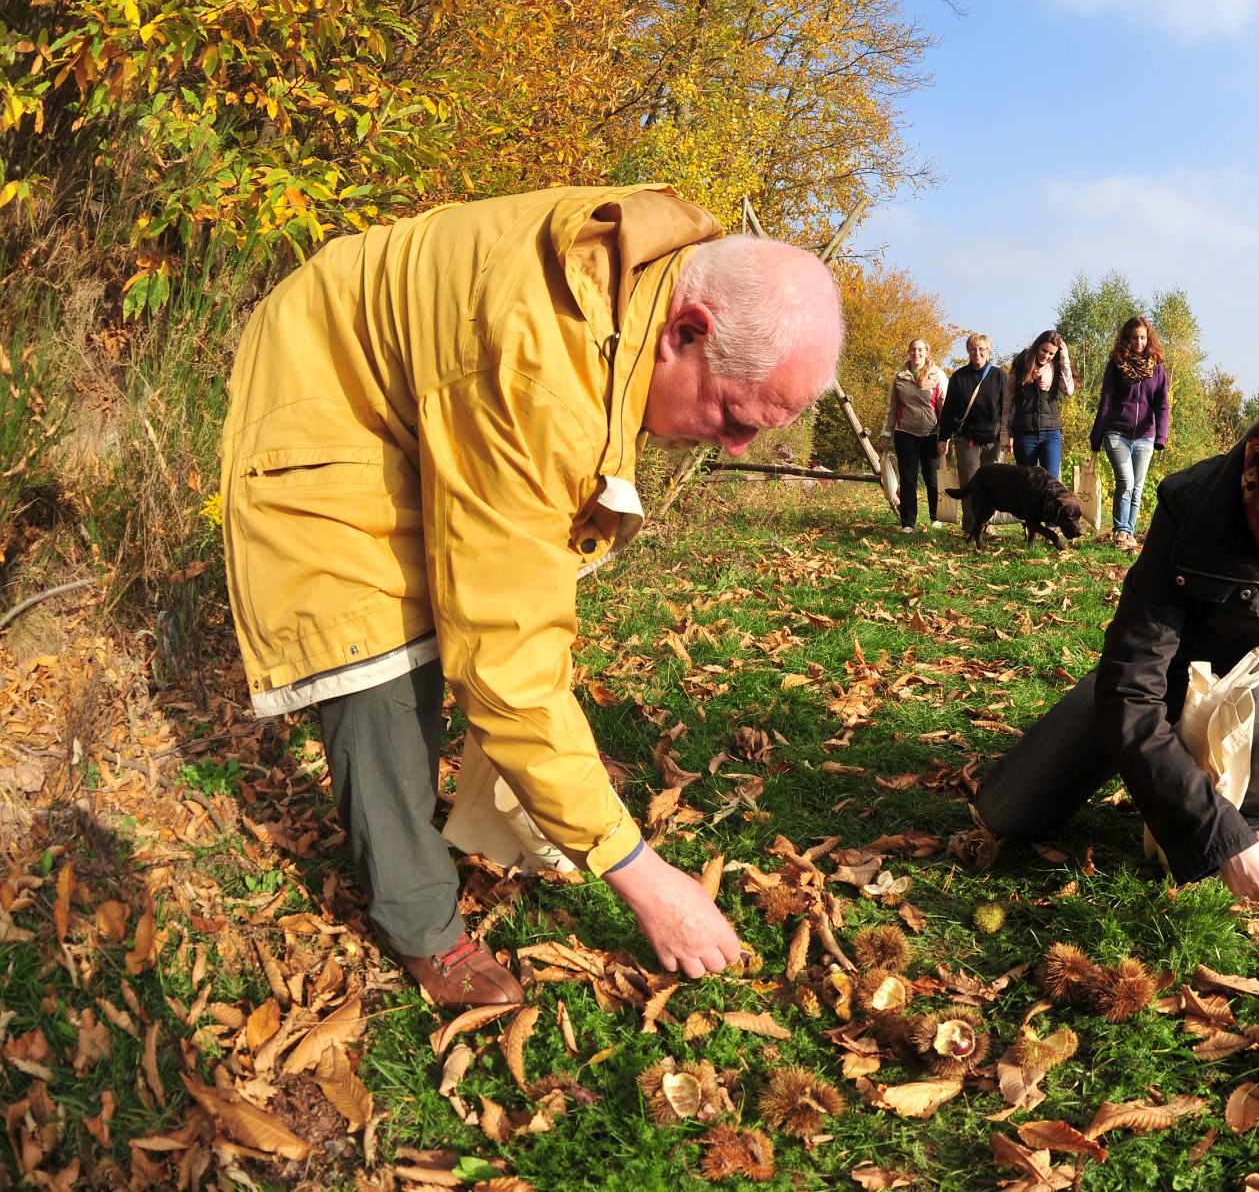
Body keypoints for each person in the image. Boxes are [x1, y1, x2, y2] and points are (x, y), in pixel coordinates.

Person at [220, 185, 843, 1006]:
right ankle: (420, 923)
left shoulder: (644, 283)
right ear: (688, 332)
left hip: (413, 376)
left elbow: (514, 597)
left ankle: (509, 804)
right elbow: (507, 660)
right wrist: (646, 879)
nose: (736, 443)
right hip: (322, 387)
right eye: (733, 414)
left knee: (470, 620)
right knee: (370, 649)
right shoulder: (539, 370)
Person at [975, 347, 1259, 904]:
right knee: (1005, 811)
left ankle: (1243, 814)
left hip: (1253, 704)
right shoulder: (1194, 507)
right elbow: (1130, 689)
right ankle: (1187, 791)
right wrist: (1217, 836)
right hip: (1160, 692)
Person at [1089, 316, 1171, 552]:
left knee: (1138, 485)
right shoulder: (1116, 364)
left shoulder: (1157, 368)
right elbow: (1106, 401)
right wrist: (1096, 437)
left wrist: (1161, 436)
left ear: (1149, 339)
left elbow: (1162, 405)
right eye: (1134, 337)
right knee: (1126, 481)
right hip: (1117, 432)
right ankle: (1121, 530)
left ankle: (1130, 532)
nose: (1139, 342)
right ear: (1126, 338)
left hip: (1145, 435)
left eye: (1143, 338)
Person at [938, 332, 1008, 535]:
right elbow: (949, 409)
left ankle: (987, 525)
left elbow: (1006, 408)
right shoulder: (959, 376)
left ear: (988, 351)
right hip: (966, 437)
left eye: (981, 349)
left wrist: (1006, 436)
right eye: (973, 349)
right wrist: (943, 437)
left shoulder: (999, 376)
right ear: (968, 351)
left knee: (992, 485)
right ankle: (970, 528)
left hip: (992, 439)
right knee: (969, 484)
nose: (977, 353)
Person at [886, 337, 947, 533]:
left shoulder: (938, 375)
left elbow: (944, 407)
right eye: (913, 349)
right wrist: (885, 435)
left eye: (920, 350)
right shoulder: (899, 377)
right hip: (905, 433)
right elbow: (892, 409)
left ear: (927, 353)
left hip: (932, 433)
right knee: (908, 478)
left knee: (932, 478)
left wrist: (945, 436)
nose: (916, 353)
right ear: (909, 352)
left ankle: (935, 517)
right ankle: (908, 523)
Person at [1007, 329, 1075, 479]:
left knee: (1051, 483)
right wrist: (1005, 433)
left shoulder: (1057, 367)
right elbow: (1008, 399)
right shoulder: (1020, 364)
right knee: (1026, 482)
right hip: (1024, 432)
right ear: (1038, 346)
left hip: (1051, 432)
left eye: (1051, 354)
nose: (1046, 356)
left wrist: (1064, 360)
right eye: (1044, 350)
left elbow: (1069, 390)